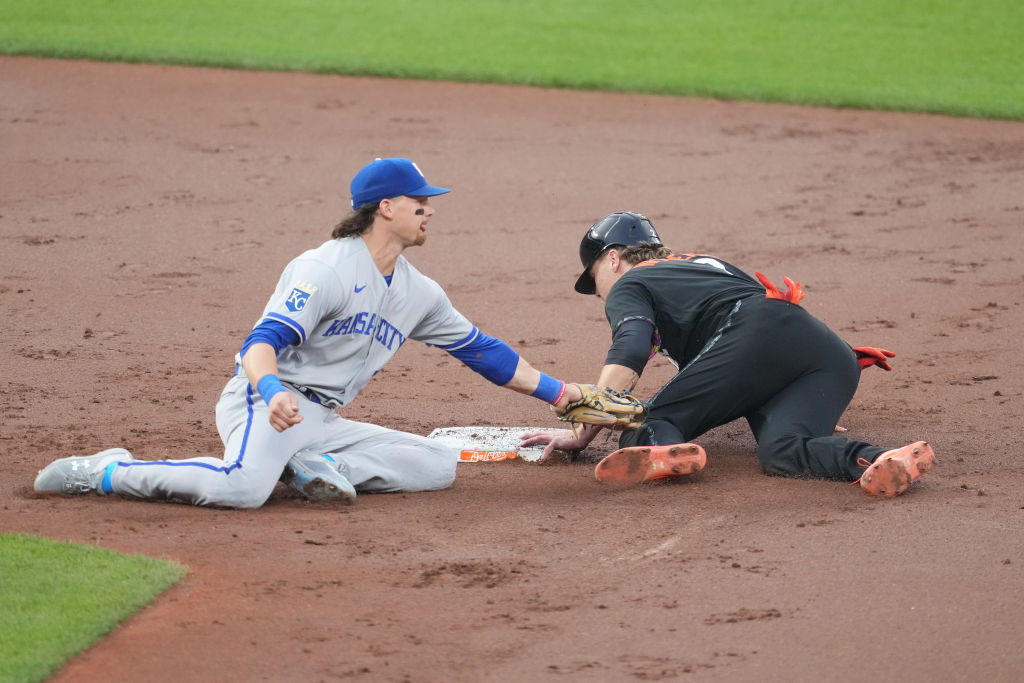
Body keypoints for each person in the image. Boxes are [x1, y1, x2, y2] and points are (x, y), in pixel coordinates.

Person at [34, 158, 585, 508]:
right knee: (243, 488)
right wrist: (272, 392)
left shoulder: (418, 292)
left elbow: (481, 351)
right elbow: (260, 345)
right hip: (267, 402)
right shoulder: (324, 269)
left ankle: (316, 466)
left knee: (437, 465)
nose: (429, 210)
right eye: (420, 201)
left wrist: (562, 394)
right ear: (385, 207)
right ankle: (107, 471)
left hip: (321, 421)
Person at [521, 211, 934, 497]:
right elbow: (756, 345)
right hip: (827, 355)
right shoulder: (703, 266)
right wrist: (811, 398)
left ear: (613, 259)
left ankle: (662, 446)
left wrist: (585, 426)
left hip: (753, 338)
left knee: (646, 421)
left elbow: (631, 346)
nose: (597, 294)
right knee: (784, 451)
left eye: (594, 278)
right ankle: (880, 460)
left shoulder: (631, 283)